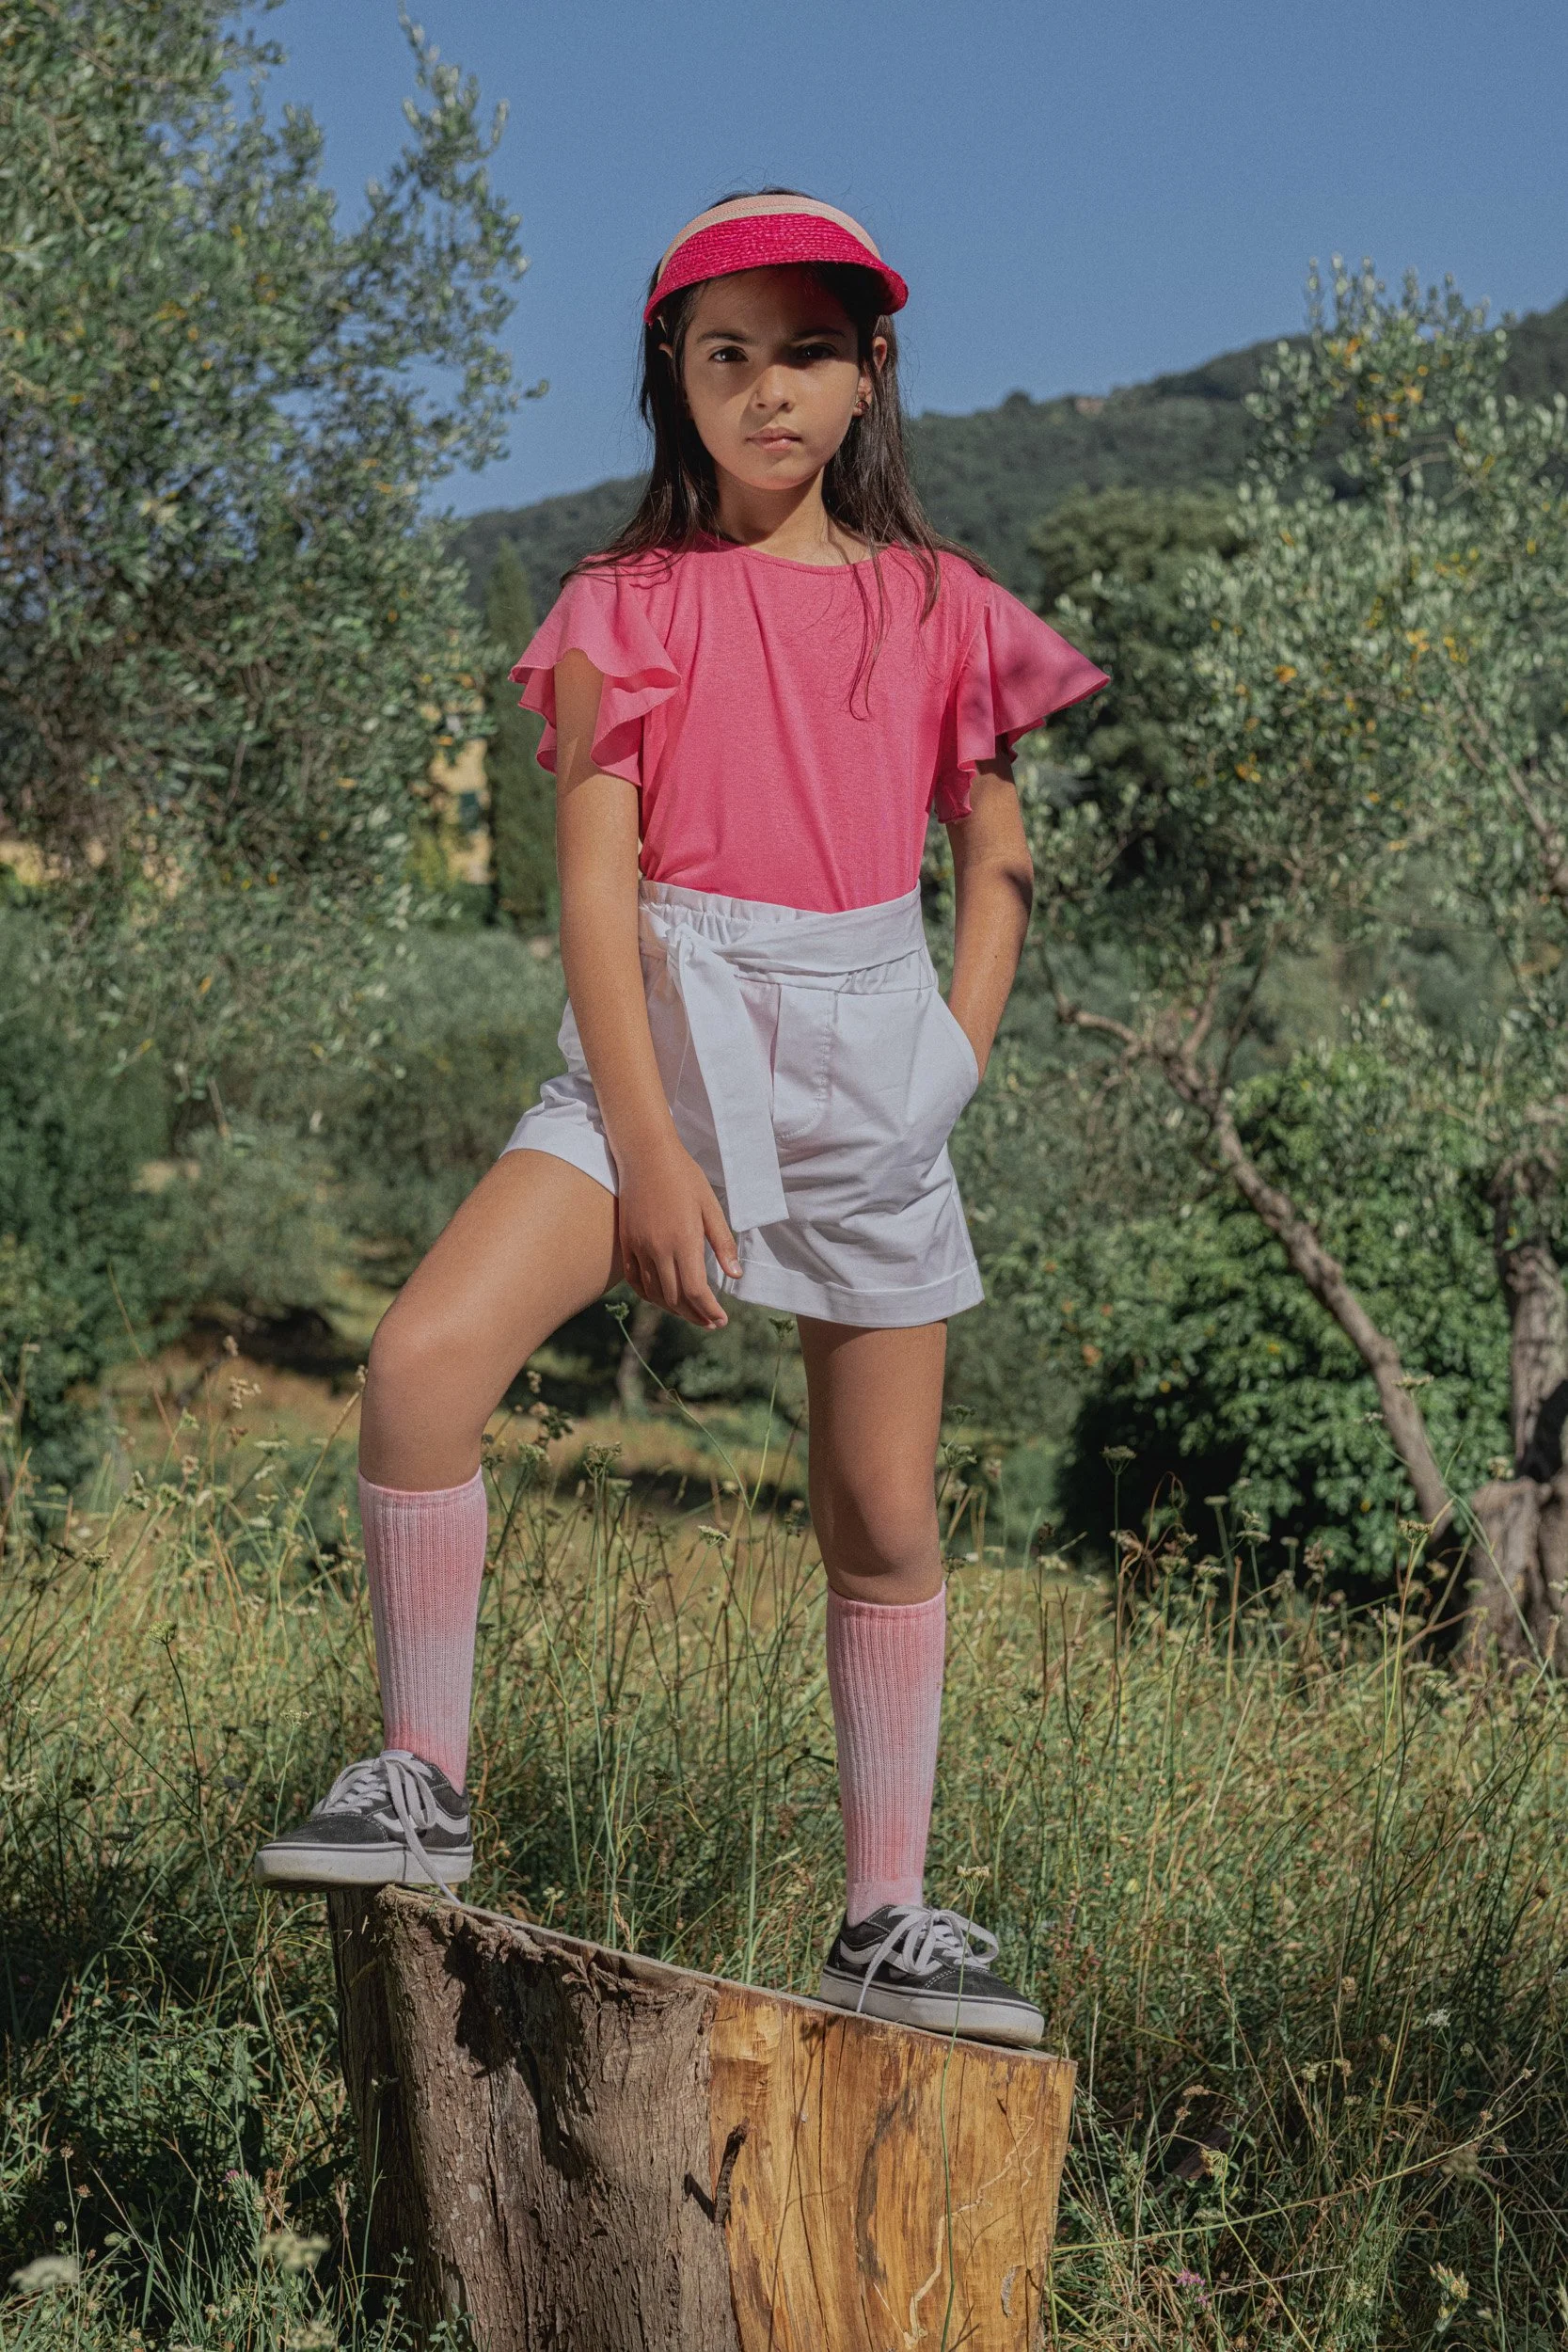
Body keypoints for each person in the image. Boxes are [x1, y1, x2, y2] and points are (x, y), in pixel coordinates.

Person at [254, 190, 1105, 2047]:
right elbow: (587, 886)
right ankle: (420, 1775)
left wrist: (950, 1064)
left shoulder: (940, 604)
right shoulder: (617, 608)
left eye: (808, 351)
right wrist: (645, 1148)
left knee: (881, 1509)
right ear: (675, 372)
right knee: (421, 1362)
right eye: (729, 353)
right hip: (656, 1043)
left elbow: (996, 858)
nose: (769, 388)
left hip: (872, 1062)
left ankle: (883, 1911)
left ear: (868, 371)